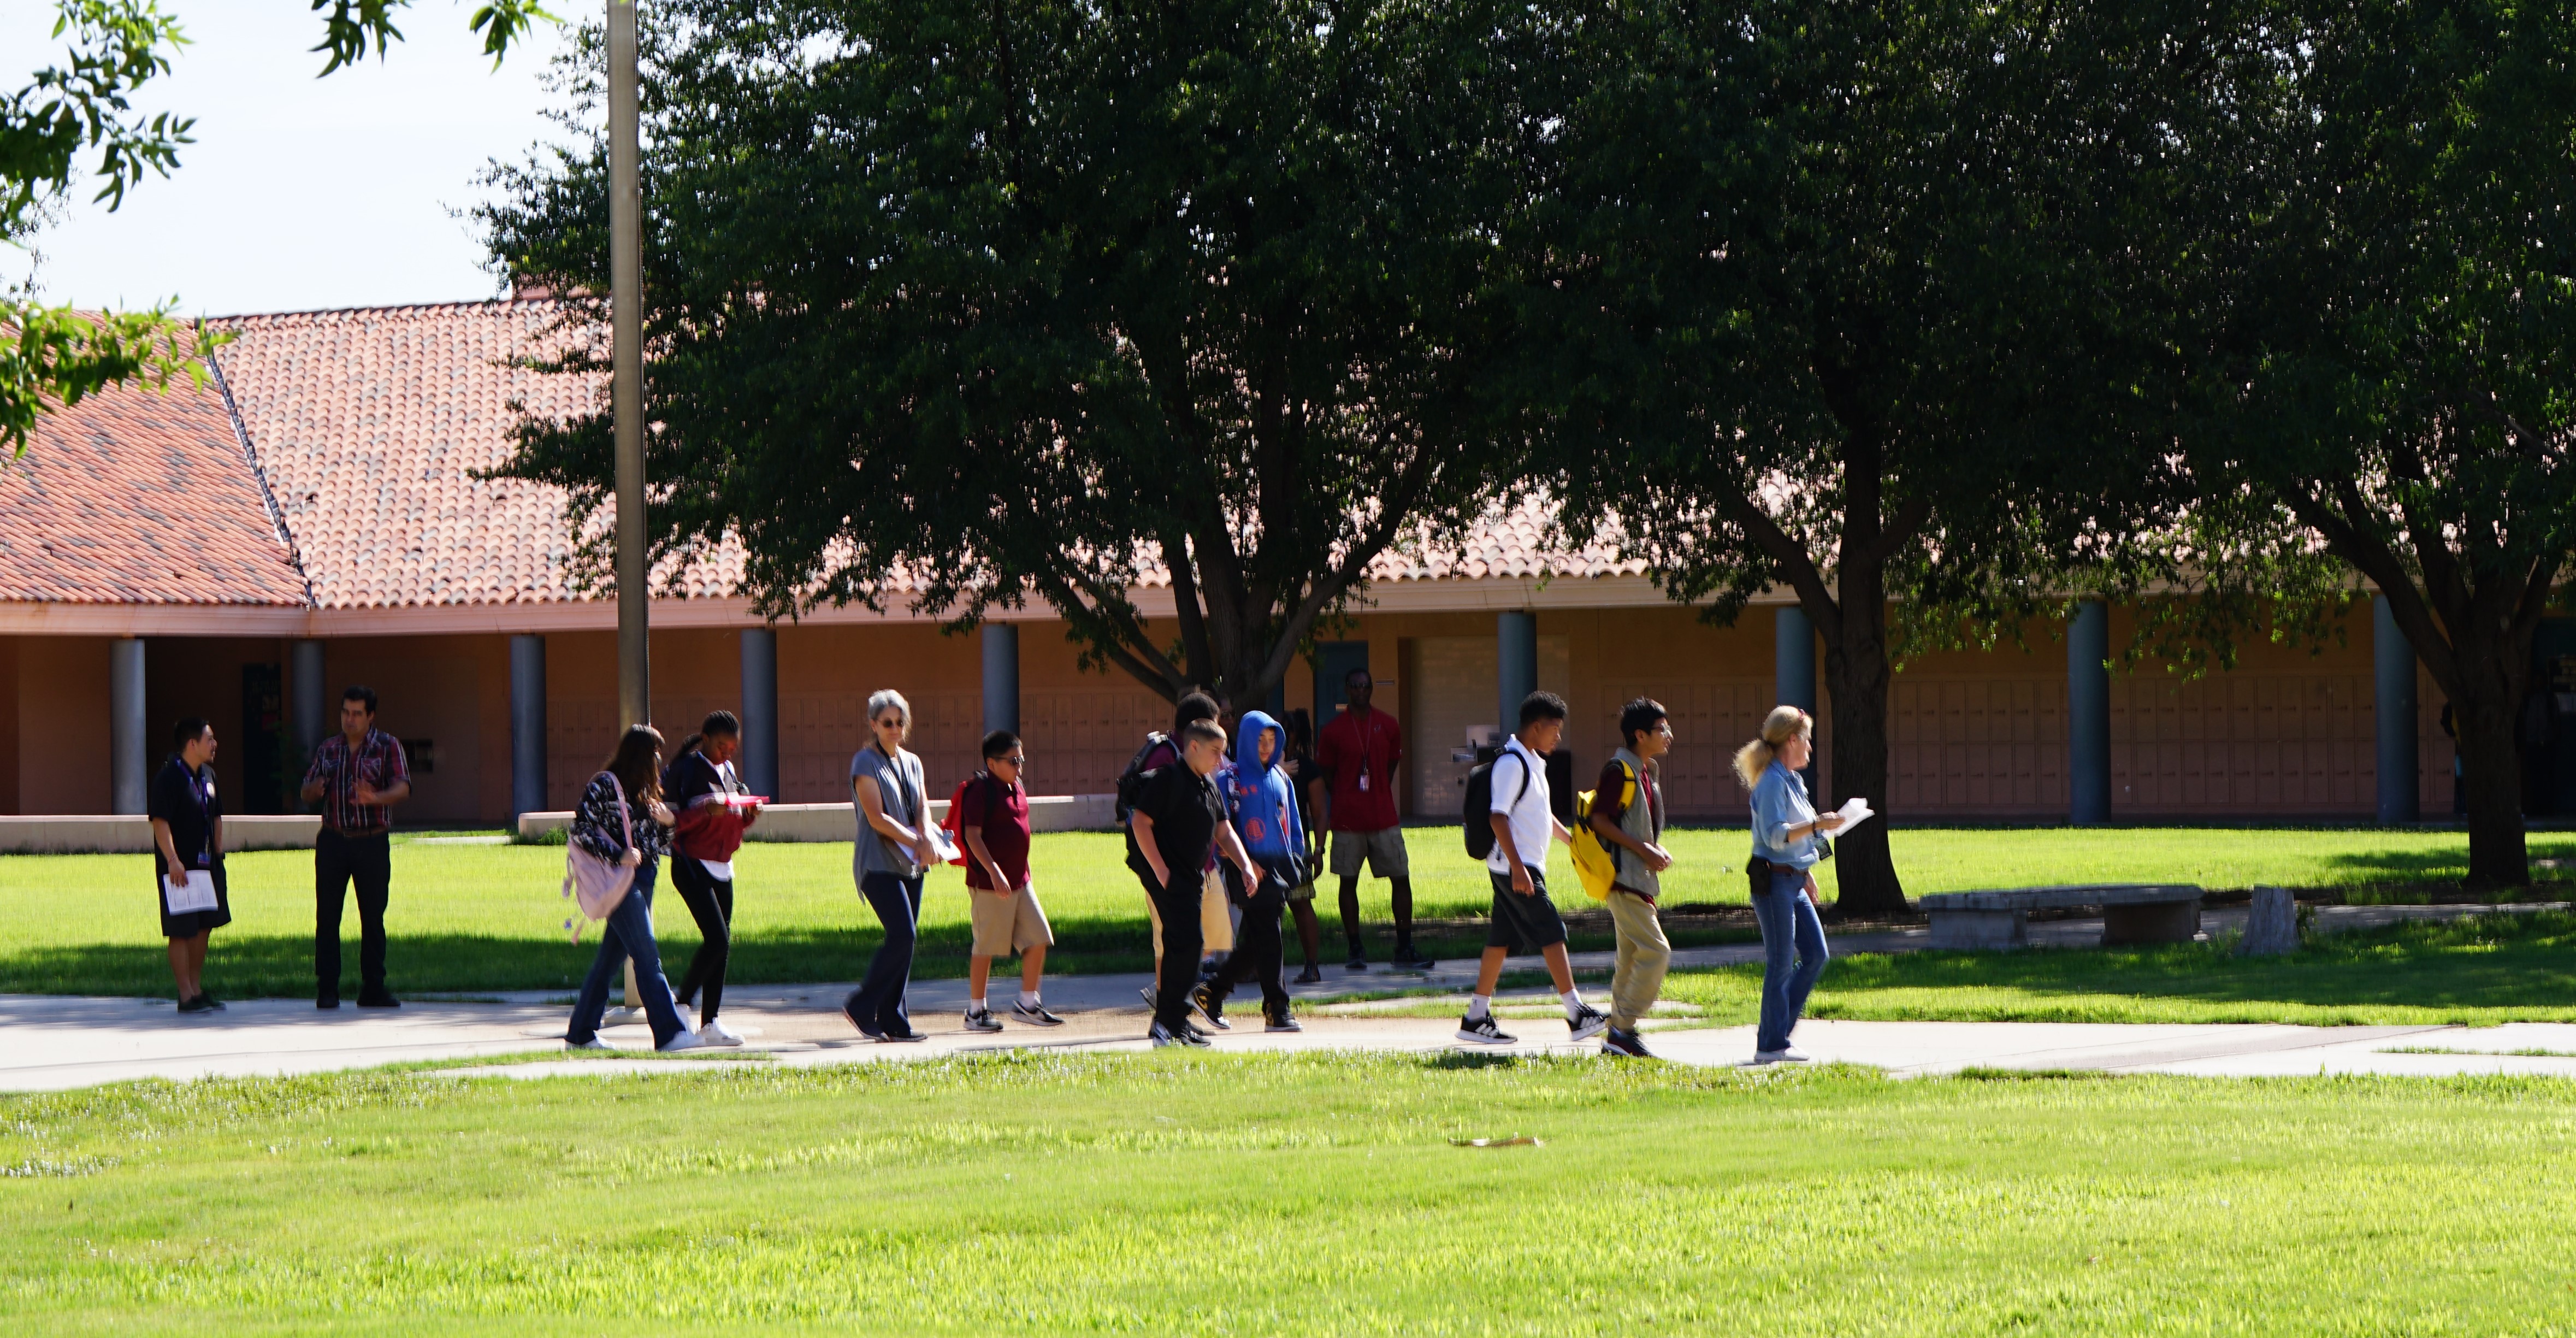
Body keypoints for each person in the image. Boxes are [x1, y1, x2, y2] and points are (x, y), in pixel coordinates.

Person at [1456, 692, 1608, 1046]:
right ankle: (1576, 1012)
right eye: (1554, 729)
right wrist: (1518, 868)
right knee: (1552, 928)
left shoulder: (1533, 761)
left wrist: (1572, 841)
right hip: (1517, 866)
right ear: (1536, 727)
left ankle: (1476, 1016)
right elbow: (1498, 816)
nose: (1558, 737)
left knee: (1501, 939)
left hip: (1518, 864)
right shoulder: (1512, 764)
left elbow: (1540, 814)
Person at [564, 724, 711, 1052]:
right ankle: (670, 1033)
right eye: (654, 752)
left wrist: (669, 825)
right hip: (618, 879)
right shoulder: (604, 785)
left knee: (609, 961)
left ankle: (581, 1034)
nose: (659, 759)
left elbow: (656, 845)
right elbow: (580, 830)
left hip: (645, 878)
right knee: (647, 956)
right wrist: (618, 854)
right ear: (638, 754)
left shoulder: (646, 791)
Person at [1131, 718, 1263, 1048]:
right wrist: (1162, 872)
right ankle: (1169, 1026)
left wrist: (1245, 865)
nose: (1220, 760)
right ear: (1193, 747)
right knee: (1188, 948)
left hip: (1192, 878)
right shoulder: (1168, 779)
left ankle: (1172, 1024)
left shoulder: (1207, 785)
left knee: (1188, 950)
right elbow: (1140, 822)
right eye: (1215, 752)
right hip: (1171, 879)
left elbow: (1224, 831)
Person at [1736, 705, 1842, 1064]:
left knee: (1816, 954)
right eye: (1808, 739)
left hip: (1793, 879)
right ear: (1792, 740)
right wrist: (1818, 825)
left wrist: (1808, 867)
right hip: (1773, 883)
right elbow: (1776, 835)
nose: (1811, 747)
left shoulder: (1792, 780)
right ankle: (1771, 1043)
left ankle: (1778, 1033)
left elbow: (1796, 838)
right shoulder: (1770, 783)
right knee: (1781, 962)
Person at [1194, 710, 1307, 1033]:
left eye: (1272, 740)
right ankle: (1277, 1008)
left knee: (1260, 940)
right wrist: (1245, 862)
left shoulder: (1282, 778)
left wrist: (1297, 857)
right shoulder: (1230, 779)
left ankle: (1212, 992)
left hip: (1280, 867)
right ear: (1245, 740)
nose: (1266, 747)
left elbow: (1293, 824)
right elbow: (1222, 828)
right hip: (1246, 869)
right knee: (1269, 935)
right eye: (1260, 740)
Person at [300, 685, 410, 1009]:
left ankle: (373, 988)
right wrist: (313, 789)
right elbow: (306, 788)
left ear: (371, 716)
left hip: (372, 841)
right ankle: (327, 989)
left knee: (373, 918)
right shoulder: (329, 749)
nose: (350, 719)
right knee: (328, 917)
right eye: (346, 712)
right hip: (333, 840)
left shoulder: (387, 747)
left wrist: (374, 797)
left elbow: (403, 788)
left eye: (357, 713)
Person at [1124, 692, 1232, 1016]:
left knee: (1212, 937)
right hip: (1167, 872)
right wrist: (1162, 872)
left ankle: (1178, 999)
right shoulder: (1166, 761)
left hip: (1199, 867)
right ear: (1194, 733)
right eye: (1212, 725)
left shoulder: (1204, 766)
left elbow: (1215, 822)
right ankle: (1168, 1009)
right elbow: (1143, 821)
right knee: (1169, 942)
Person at [1312, 668, 1426, 969]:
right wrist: (1347, 794)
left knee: (1401, 878)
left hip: (1383, 817)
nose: (1361, 691)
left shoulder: (1388, 724)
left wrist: (1373, 791)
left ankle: (1404, 947)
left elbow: (1391, 766)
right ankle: (1355, 949)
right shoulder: (1333, 731)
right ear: (1347, 690)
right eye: (1355, 686)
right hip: (1348, 820)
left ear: (1371, 689)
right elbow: (1327, 773)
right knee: (1348, 882)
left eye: (1366, 686)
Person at [663, 711, 760, 1046]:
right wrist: (705, 810)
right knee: (718, 940)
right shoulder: (686, 770)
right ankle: (680, 1004)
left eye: (733, 749)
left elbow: (730, 820)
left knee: (722, 946)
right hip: (692, 863)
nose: (728, 754)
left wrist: (746, 816)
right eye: (722, 747)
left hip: (723, 864)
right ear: (705, 740)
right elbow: (670, 822)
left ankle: (711, 1023)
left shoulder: (728, 771)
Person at [1588, 698, 1676, 1059]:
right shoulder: (1619, 770)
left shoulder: (1642, 769)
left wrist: (1653, 848)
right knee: (1657, 952)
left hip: (1636, 879)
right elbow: (1600, 819)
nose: (1669, 735)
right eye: (1662, 729)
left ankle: (1616, 1036)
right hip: (1624, 880)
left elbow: (1634, 823)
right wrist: (1643, 849)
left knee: (1628, 959)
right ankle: (1623, 1027)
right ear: (1640, 735)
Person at [846, 689, 936, 1041]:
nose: (896, 729)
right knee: (903, 934)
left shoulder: (913, 761)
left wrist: (926, 835)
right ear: (874, 724)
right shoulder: (864, 762)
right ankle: (862, 1005)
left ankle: (894, 1021)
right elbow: (877, 817)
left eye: (901, 722)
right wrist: (919, 841)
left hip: (912, 864)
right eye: (888, 723)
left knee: (905, 943)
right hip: (878, 863)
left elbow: (922, 806)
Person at [960, 729, 1062, 1031]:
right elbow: (972, 835)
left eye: (1021, 760)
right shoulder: (980, 791)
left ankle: (1027, 1004)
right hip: (990, 884)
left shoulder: (1016, 786)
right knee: (986, 946)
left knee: (1040, 937)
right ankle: (976, 1012)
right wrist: (994, 870)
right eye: (1013, 761)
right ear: (992, 764)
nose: (1019, 766)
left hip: (1021, 880)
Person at [150, 717, 231, 1013]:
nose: (214, 744)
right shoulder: (168, 778)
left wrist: (219, 854)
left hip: (208, 864)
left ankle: (197, 988)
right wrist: (173, 860)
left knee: (203, 927)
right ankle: (185, 994)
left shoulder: (208, 775)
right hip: (179, 869)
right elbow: (160, 821)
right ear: (192, 744)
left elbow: (217, 815)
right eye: (209, 739)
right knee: (181, 930)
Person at [1277, 709, 1328, 983]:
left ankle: (1312, 966)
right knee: (1261, 910)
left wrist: (1318, 851)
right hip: (1264, 845)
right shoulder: (1263, 765)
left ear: (1297, 735)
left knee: (1301, 904)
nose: (1280, 734)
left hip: (1296, 847)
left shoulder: (1308, 768)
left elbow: (1320, 813)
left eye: (1287, 729)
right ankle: (1257, 967)